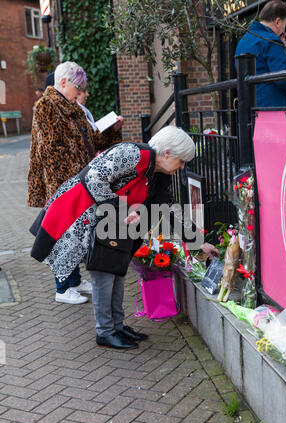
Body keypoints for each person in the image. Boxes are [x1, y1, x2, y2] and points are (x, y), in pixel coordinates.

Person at [29, 126, 220, 350]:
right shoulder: (133, 153)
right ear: (167, 153)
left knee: (116, 271)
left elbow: (168, 208)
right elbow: (93, 179)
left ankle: (116, 327)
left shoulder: (159, 174)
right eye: (181, 160)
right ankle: (105, 331)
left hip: (112, 223)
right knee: (103, 274)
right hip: (82, 214)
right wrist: (121, 211)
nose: (182, 167)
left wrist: (198, 243)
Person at [28, 61, 123, 304]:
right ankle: (62, 288)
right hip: (64, 184)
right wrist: (74, 180)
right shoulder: (46, 106)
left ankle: (74, 280)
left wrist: (112, 130)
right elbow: (50, 151)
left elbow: (93, 140)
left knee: (77, 232)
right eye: (77, 86)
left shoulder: (72, 107)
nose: (80, 91)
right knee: (64, 234)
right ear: (63, 83)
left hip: (77, 182)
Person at [235, 0, 286, 107]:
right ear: (278, 22)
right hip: (274, 109)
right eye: (285, 26)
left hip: (249, 110)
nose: (284, 31)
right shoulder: (272, 40)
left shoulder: (243, 41)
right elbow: (283, 79)